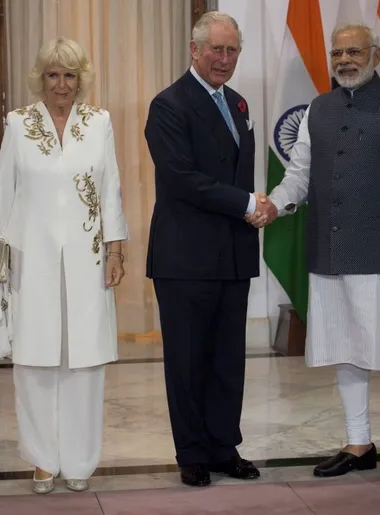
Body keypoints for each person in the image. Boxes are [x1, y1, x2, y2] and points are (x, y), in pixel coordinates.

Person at [249, 22, 380, 487]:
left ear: (375, 55)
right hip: (331, 253)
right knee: (346, 350)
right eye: (337, 53)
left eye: (354, 52)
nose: (344, 60)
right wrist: (276, 204)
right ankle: (358, 444)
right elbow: (299, 175)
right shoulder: (318, 108)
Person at [0, 37, 128, 494]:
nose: (61, 84)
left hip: (89, 260)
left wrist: (116, 251)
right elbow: (1, 191)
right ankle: (42, 459)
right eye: (52, 75)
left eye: (69, 75)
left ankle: (80, 460)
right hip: (31, 261)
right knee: (34, 361)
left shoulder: (99, 122)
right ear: (40, 79)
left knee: (86, 363)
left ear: (81, 79)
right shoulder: (18, 123)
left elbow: (111, 190)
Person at [143, 12, 269, 487]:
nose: (224, 58)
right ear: (194, 50)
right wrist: (247, 203)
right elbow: (182, 179)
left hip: (234, 253)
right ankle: (192, 452)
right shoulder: (168, 105)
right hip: (185, 258)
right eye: (216, 49)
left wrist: (255, 208)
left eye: (232, 50)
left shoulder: (238, 103)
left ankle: (223, 447)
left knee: (227, 361)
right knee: (188, 361)